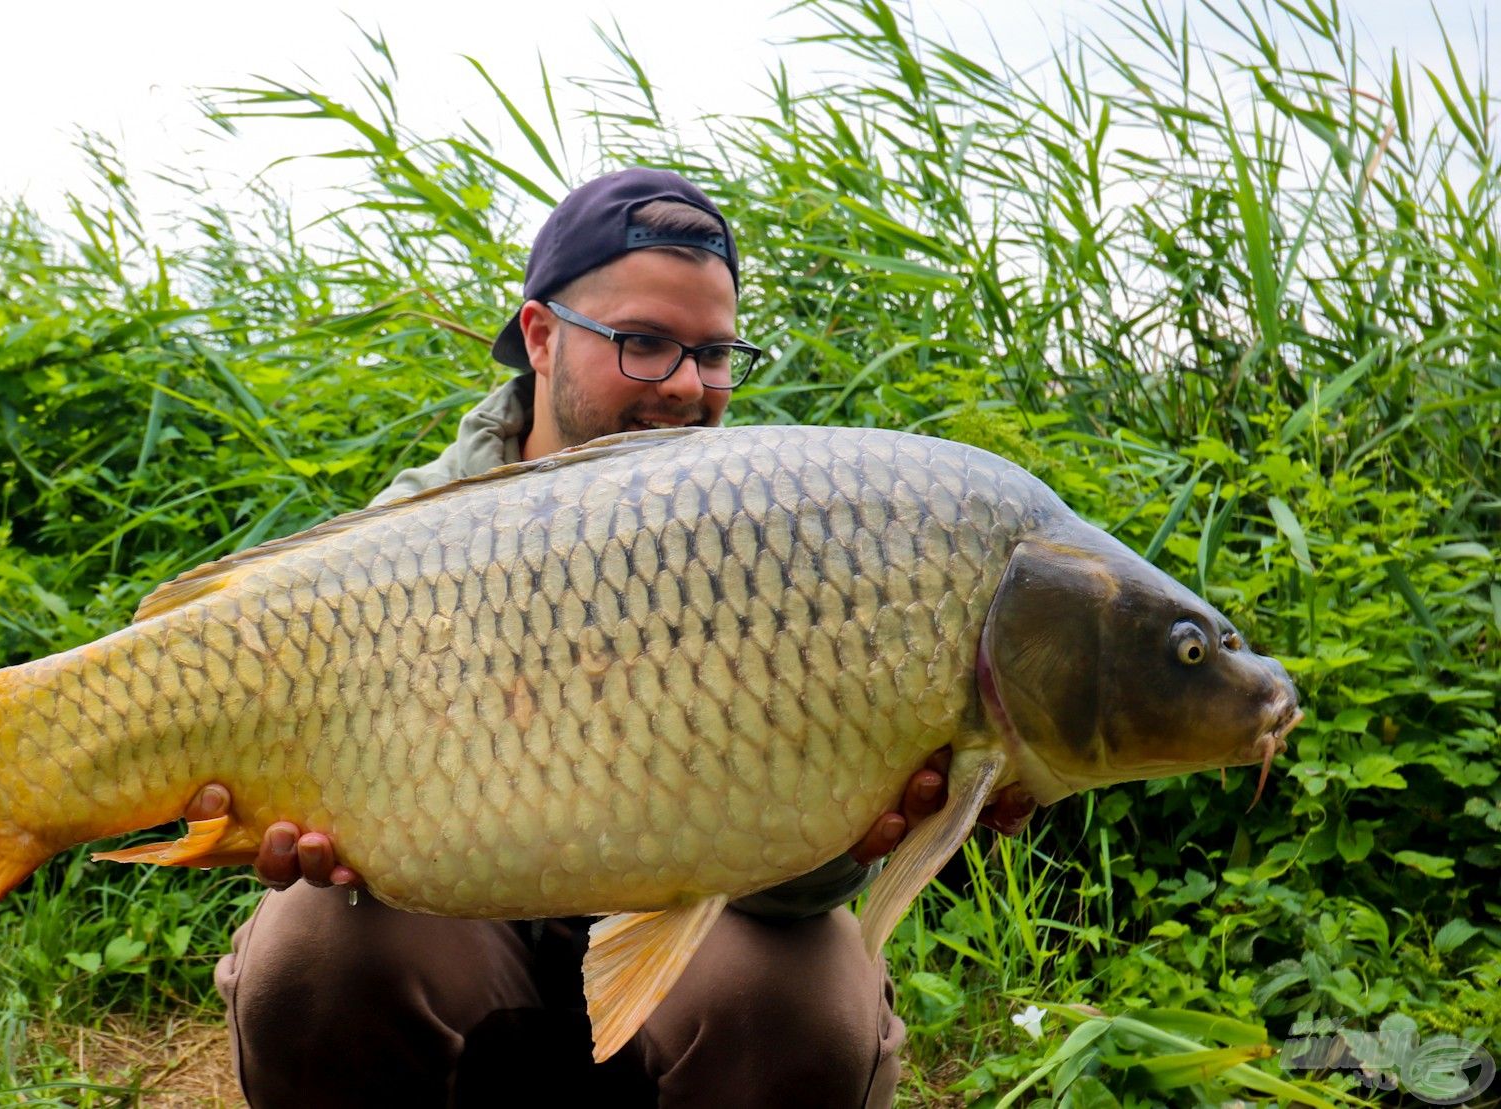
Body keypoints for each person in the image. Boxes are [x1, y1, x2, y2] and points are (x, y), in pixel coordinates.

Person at [190, 168, 1034, 1106]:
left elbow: (788, 901)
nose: (684, 384)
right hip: (469, 950)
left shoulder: (779, 536)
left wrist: (850, 831)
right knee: (314, 945)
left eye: (714, 355)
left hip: (687, 960)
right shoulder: (415, 531)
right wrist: (281, 825)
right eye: (642, 343)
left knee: (804, 995)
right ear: (541, 336)